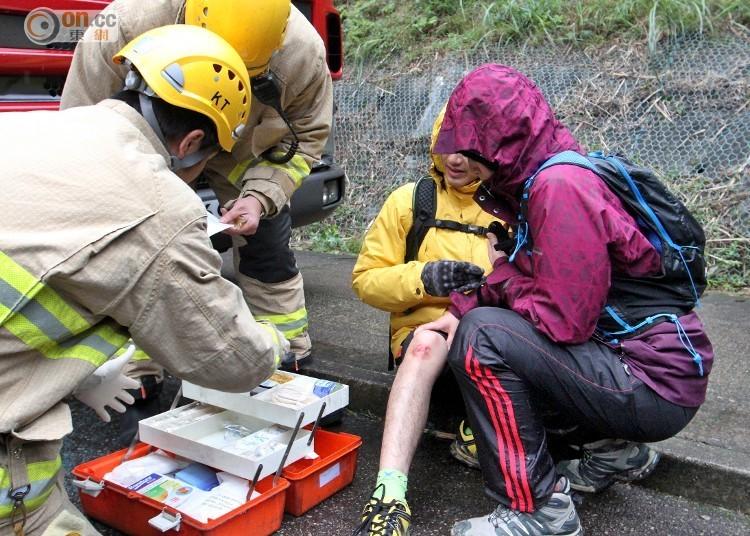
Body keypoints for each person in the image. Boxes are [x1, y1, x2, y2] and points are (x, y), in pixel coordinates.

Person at [0, 25, 288, 536]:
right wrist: (272, 343)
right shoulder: (155, 206)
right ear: (192, 142)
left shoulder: (39, 128)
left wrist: (78, 377)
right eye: (207, 161)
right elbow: (229, 358)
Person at [420, 64, 714, 536]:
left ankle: (537, 510)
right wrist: (472, 300)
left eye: (472, 145)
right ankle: (614, 452)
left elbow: (562, 322)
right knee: (491, 326)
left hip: (652, 381)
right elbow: (545, 285)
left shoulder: (559, 188)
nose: (461, 158)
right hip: (650, 366)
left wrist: (494, 287)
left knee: (485, 339)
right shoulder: (542, 180)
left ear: (503, 142)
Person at [60, 0, 332, 406]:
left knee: (267, 241)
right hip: (152, 144)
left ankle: (284, 354)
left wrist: (260, 196)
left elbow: (305, 137)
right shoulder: (128, 23)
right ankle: (136, 370)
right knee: (133, 250)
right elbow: (84, 130)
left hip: (243, 153)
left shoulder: (302, 53)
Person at [351, 107, 507, 535]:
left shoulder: (508, 209)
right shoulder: (410, 201)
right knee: (423, 343)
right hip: (424, 337)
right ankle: (389, 496)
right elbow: (365, 281)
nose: (454, 159)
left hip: (487, 336)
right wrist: (424, 278)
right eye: (446, 146)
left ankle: (479, 430)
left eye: (467, 150)